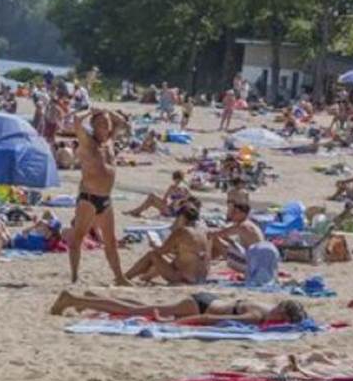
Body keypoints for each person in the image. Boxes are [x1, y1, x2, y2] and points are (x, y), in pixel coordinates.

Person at [68, 109, 130, 284]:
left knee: (111, 240)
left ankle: (119, 277)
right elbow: (77, 120)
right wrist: (92, 110)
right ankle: (74, 276)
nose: (106, 125)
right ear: (94, 126)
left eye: (107, 123)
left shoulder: (110, 142)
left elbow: (122, 123)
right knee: (78, 237)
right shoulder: (87, 142)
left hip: (106, 199)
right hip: (89, 197)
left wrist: (107, 112)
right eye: (102, 123)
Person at [50, 290, 306, 326]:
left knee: (140, 307)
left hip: (207, 300)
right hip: (200, 305)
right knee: (135, 312)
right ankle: (72, 299)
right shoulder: (257, 315)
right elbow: (208, 319)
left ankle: (91, 297)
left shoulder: (267, 306)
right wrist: (175, 324)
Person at [125, 201, 209, 285]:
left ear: (181, 217)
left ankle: (125, 277)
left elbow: (161, 251)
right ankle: (145, 277)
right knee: (174, 260)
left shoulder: (182, 231)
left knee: (152, 255)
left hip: (184, 278)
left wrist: (154, 244)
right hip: (201, 279)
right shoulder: (203, 231)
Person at [126, 170, 191, 218]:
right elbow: (165, 200)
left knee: (151, 197)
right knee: (151, 201)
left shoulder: (175, 188)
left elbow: (166, 200)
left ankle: (136, 211)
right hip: (172, 210)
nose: (175, 181)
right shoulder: (185, 188)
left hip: (172, 212)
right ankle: (136, 211)